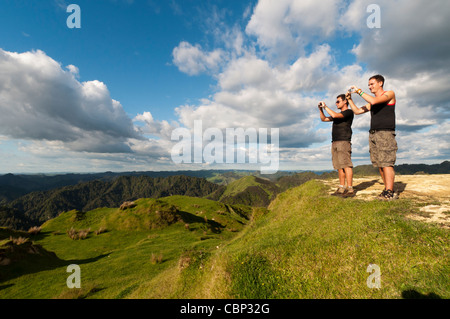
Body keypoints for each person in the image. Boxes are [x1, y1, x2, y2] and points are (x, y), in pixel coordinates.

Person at [347, 74, 398, 200]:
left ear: (380, 83)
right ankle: (387, 189)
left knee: (386, 163)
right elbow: (358, 111)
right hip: (374, 133)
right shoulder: (373, 103)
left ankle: (390, 192)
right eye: (368, 85)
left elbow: (374, 100)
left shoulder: (389, 94)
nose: (370, 87)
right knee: (380, 163)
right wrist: (349, 100)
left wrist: (358, 90)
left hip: (385, 133)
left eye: (372, 84)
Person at [319, 94, 355, 197]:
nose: (336, 103)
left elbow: (334, 115)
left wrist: (325, 107)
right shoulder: (337, 115)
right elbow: (324, 119)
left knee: (346, 165)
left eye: (338, 101)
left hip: (344, 141)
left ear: (345, 102)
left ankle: (350, 189)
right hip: (335, 142)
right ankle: (341, 187)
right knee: (339, 166)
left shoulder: (348, 112)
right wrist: (321, 110)